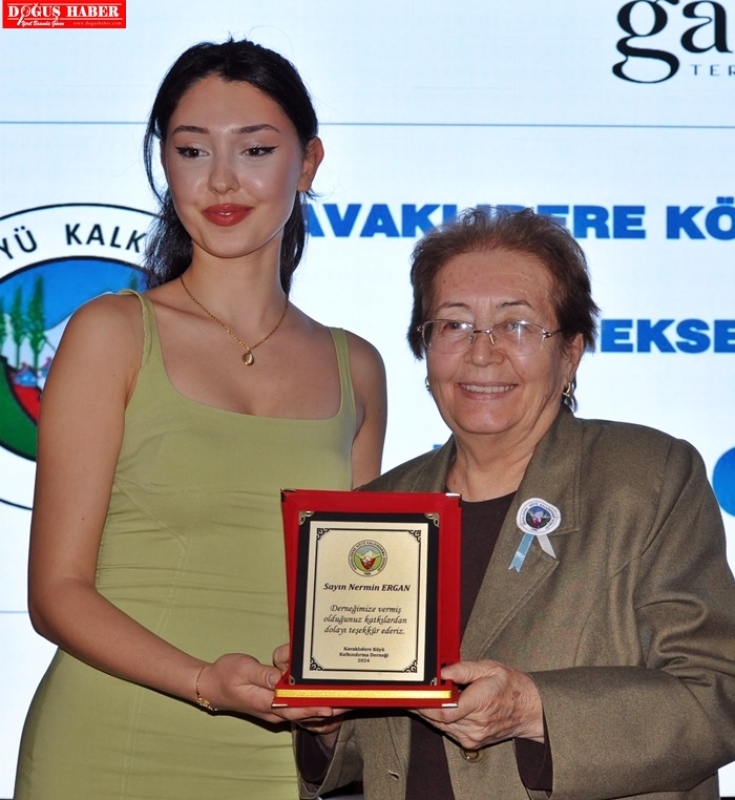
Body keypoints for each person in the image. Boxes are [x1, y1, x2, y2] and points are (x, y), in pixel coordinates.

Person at [14, 38, 386, 800]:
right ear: (165, 163)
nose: (221, 179)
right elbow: (55, 593)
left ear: (308, 163)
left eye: (255, 149)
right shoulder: (112, 334)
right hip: (108, 745)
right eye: (191, 150)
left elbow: (349, 603)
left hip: (280, 763)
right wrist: (203, 681)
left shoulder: (356, 367)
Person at [293, 207, 735, 800]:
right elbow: (367, 746)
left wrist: (535, 709)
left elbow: (718, 691)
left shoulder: (648, 479)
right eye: (454, 324)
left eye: (517, 325)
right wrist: (326, 726)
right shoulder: (376, 511)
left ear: (571, 351)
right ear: (425, 347)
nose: (482, 353)